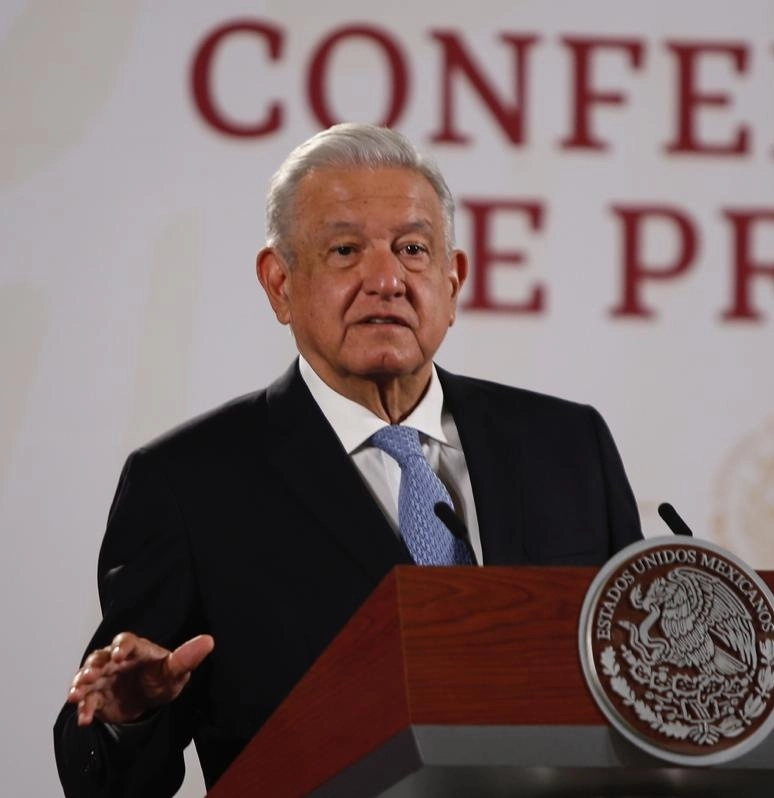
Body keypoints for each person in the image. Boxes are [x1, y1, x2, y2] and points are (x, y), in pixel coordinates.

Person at [55, 123, 643, 796]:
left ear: (453, 282)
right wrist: (131, 718)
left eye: (413, 249)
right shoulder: (189, 485)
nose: (386, 279)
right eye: (344, 250)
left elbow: (640, 687)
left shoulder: (569, 446)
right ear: (279, 283)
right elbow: (99, 774)